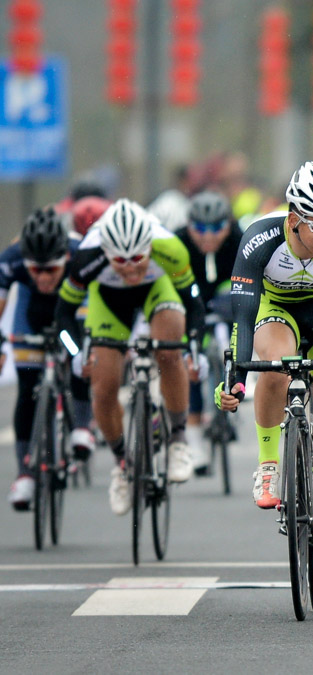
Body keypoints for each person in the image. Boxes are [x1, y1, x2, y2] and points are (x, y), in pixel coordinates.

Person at [215, 161, 313, 563]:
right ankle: (269, 464)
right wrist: (234, 377)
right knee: (277, 365)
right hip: (275, 313)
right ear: (294, 219)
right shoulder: (260, 239)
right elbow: (243, 318)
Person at [56, 199, 206, 515]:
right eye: (120, 260)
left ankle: (178, 440)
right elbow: (63, 314)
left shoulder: (170, 248)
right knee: (103, 386)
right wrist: (76, 353)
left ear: (149, 246)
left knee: (170, 347)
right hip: (108, 302)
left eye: (138, 257)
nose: (130, 267)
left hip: (157, 291)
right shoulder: (87, 257)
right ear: (105, 252)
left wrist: (193, 347)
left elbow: (193, 303)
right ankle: (122, 463)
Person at [3, 208, 91, 510]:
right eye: (35, 270)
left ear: (64, 258)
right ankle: (25, 474)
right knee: (27, 388)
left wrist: (84, 345)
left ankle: (82, 426)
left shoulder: (80, 254)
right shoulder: (12, 259)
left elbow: (94, 305)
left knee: (79, 355)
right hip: (31, 315)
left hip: (72, 310)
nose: (42, 277)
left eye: (50, 269)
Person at [175, 190, 241, 473]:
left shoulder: (238, 239)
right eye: (200, 229)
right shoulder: (179, 241)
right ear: (189, 226)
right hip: (193, 300)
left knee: (233, 335)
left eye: (217, 228)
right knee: (192, 358)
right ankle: (193, 435)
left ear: (229, 225)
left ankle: (232, 386)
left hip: (226, 296)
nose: (209, 236)